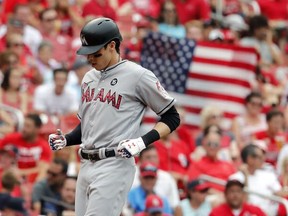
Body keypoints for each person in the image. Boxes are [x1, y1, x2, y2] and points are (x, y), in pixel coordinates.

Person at [48, 17, 180, 216]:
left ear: (112, 45)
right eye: (87, 54)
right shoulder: (89, 77)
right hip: (86, 164)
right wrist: (66, 139)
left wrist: (142, 142)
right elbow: (87, 126)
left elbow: (172, 117)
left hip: (114, 164)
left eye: (96, 53)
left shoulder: (138, 76)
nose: (90, 59)